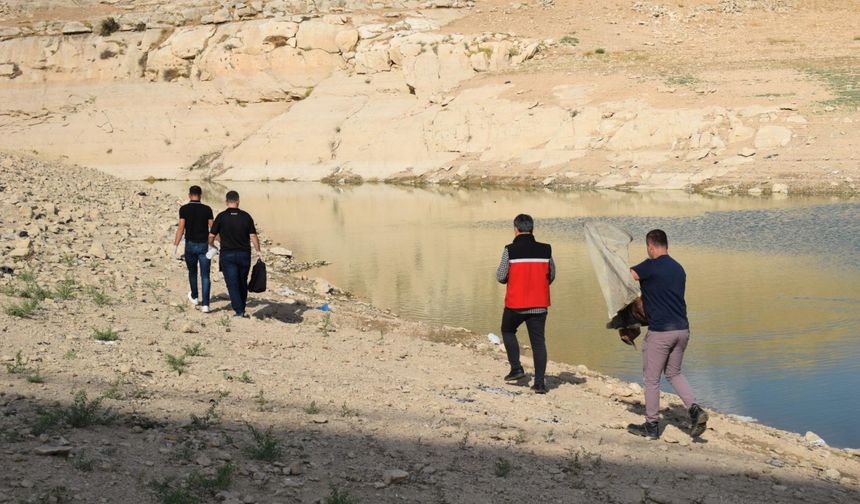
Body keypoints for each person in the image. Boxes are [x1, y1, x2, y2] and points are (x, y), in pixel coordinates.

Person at [627, 229, 708, 440]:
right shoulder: (678, 268)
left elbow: (627, 277)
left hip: (660, 332)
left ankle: (651, 425)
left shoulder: (649, 266)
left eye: (648, 248)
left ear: (650, 246)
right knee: (674, 373)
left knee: (652, 379)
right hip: (682, 330)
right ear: (667, 245)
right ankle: (694, 410)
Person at [496, 214, 556, 394]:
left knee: (507, 330)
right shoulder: (546, 250)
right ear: (532, 229)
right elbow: (551, 275)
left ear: (516, 229)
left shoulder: (510, 250)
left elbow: (501, 276)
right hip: (539, 305)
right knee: (538, 343)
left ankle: (516, 368)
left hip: (516, 304)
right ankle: (539, 384)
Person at [208, 191, 262, 318]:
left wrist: (212, 246)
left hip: (227, 255)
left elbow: (211, 235)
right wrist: (258, 251)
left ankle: (239, 311)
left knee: (232, 283)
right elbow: (253, 235)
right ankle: (241, 308)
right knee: (242, 281)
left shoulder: (221, 216)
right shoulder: (246, 216)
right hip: (244, 254)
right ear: (238, 201)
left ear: (226, 202)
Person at [173, 185, 214, 313]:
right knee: (205, 275)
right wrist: (218, 244)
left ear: (189, 195)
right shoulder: (207, 209)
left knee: (192, 272)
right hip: (204, 245)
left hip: (190, 245)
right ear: (200, 195)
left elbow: (181, 228)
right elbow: (213, 229)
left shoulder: (184, 209)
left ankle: (195, 297)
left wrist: (175, 246)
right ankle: (206, 305)